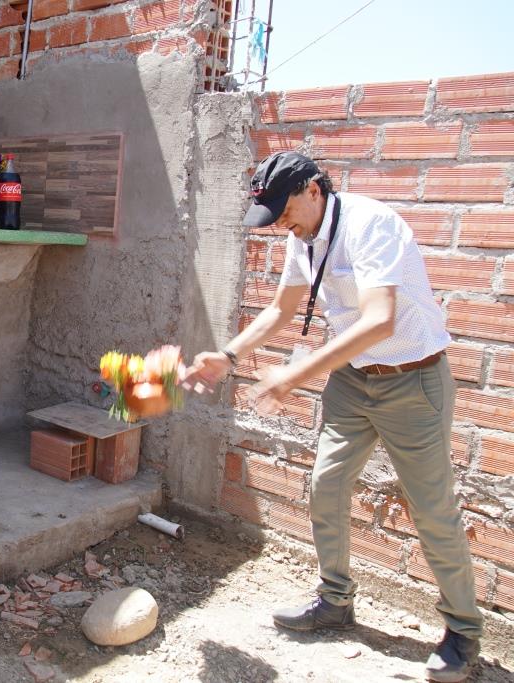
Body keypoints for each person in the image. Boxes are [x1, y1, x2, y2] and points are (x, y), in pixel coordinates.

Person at [181, 152, 484, 683]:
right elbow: (280, 310)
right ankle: (335, 599)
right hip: (354, 381)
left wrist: (295, 376)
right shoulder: (303, 239)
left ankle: (462, 629)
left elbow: (379, 321)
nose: (281, 224)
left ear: (314, 189)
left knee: (431, 509)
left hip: (413, 380)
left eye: (284, 209)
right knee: (326, 483)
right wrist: (227, 357)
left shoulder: (372, 226)